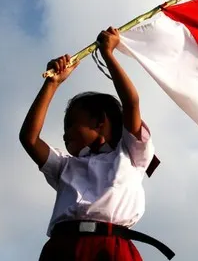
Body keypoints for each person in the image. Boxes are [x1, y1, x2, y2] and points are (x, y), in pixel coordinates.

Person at [19, 27, 173, 261]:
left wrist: (108, 54)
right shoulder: (64, 166)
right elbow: (29, 139)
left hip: (112, 247)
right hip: (63, 247)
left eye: (70, 124)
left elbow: (131, 103)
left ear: (100, 122)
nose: (64, 134)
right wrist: (52, 83)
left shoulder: (130, 153)